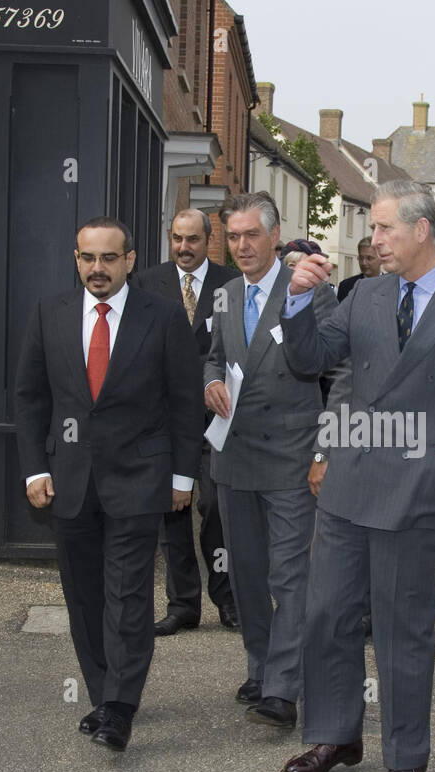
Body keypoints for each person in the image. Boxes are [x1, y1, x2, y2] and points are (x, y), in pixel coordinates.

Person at [279, 179, 435, 772]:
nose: (374, 239)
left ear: (423, 230)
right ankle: (337, 735)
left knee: (401, 629)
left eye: (385, 227)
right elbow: (310, 360)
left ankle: (406, 755)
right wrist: (295, 302)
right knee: (327, 615)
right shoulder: (362, 295)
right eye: (373, 228)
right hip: (350, 483)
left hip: (419, 494)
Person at [14, 216, 202, 752]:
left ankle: (121, 706)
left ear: (130, 260)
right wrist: (35, 469)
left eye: (108, 258)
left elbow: (185, 402)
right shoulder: (49, 314)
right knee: (85, 597)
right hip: (69, 482)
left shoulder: (162, 317)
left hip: (140, 480)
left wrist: (182, 475)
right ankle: (102, 695)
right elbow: (30, 398)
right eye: (88, 258)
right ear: (77, 260)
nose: (98, 269)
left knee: (128, 596)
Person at [204, 193, 338, 727]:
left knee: (290, 577)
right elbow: (213, 355)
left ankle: (284, 688)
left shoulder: (310, 291)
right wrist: (210, 380)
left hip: (292, 458)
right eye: (232, 237)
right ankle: (261, 669)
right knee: (248, 576)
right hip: (234, 458)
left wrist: (325, 450)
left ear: (275, 235)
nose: (241, 247)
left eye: (250, 236)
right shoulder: (226, 294)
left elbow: (337, 376)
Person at [130, 209, 240, 635]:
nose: (184, 247)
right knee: (172, 512)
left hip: (216, 422)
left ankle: (227, 599)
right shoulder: (146, 282)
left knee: (214, 510)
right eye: (177, 238)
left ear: (208, 240)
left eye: (193, 239)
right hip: (165, 422)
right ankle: (182, 606)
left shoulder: (230, 284)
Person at [337, 236, 380, 302]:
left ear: (381, 259)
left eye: (369, 258)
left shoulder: (392, 287)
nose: (364, 263)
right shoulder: (346, 286)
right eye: (361, 258)